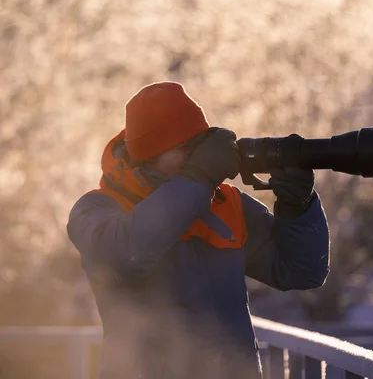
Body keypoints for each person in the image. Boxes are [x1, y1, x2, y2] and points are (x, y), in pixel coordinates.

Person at [66, 82, 330, 379]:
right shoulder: (95, 210)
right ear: (153, 153)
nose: (199, 156)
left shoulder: (225, 203)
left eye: (200, 145)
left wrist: (298, 206)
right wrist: (199, 178)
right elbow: (126, 256)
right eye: (187, 148)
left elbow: (302, 271)